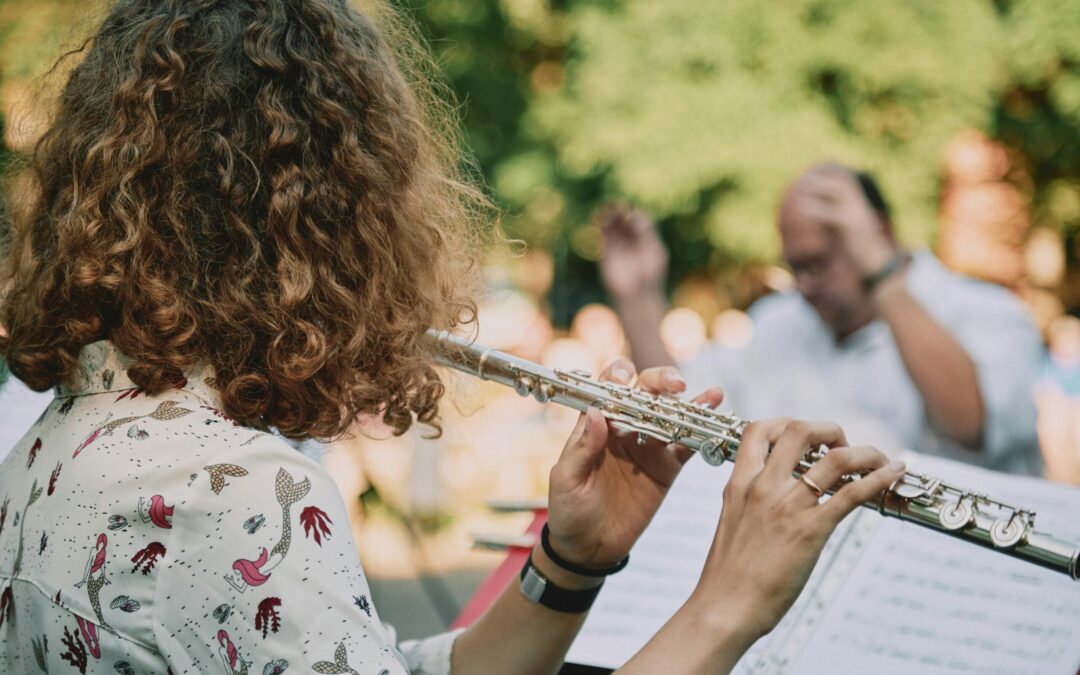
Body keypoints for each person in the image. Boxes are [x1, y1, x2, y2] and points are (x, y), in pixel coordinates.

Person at [0, 3, 903, 674]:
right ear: (328, 218)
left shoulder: (61, 440)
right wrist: (729, 604)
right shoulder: (228, 491)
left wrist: (571, 560)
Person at [600, 163, 1044, 476]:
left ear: (881, 234)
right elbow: (685, 411)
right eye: (796, 267)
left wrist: (880, 271)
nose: (806, 284)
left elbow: (971, 428)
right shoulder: (779, 322)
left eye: (820, 263)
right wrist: (638, 300)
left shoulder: (989, 311)